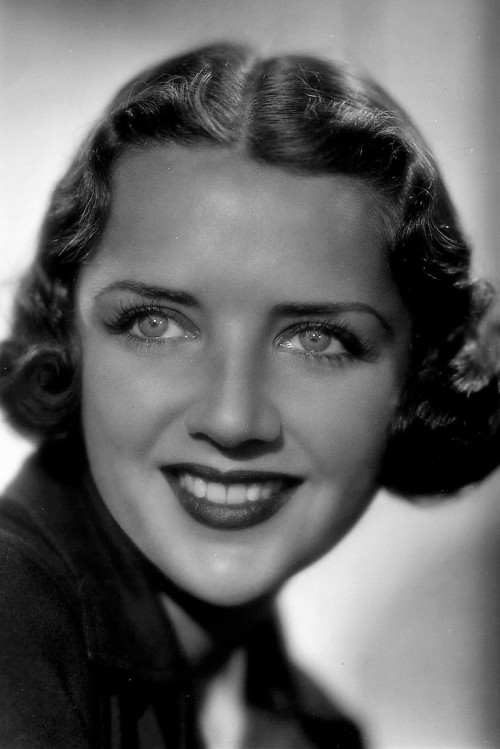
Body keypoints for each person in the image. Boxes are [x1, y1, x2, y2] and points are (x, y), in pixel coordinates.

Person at [0, 42, 499, 749]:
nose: (233, 419)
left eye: (318, 339)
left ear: (417, 375)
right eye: (156, 323)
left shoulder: (316, 729)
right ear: (68, 339)